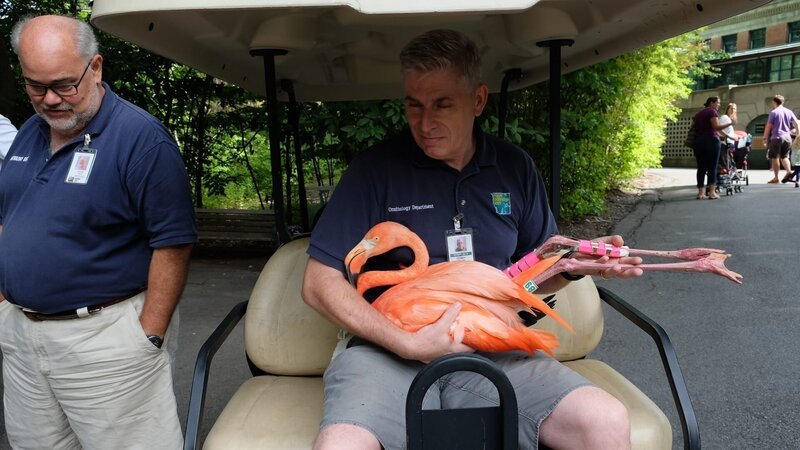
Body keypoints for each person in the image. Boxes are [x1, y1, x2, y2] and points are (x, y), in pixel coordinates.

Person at [302, 29, 644, 450]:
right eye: (414, 105)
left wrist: (572, 268)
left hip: (493, 347)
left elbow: (528, 283)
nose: (425, 124)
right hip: (385, 351)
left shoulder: (513, 168)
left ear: (478, 100)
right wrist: (407, 343)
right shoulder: (374, 171)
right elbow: (318, 285)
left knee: (604, 421)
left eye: (442, 104)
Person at [0, 14, 196, 449]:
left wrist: (149, 334)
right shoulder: (30, 131)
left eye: (64, 84)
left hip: (106, 340)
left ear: (97, 67)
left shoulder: (141, 138)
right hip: (22, 338)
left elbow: (174, 243)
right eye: (36, 85)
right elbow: (7, 216)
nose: (50, 99)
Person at [691, 96, 737, 199]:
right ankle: (712, 192)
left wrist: (728, 136)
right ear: (711, 103)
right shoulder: (712, 112)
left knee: (701, 168)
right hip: (711, 142)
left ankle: (700, 193)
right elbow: (716, 127)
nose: (719, 105)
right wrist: (730, 123)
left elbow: (713, 128)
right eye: (718, 103)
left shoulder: (699, 113)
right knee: (712, 167)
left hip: (698, 142)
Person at [761, 94, 800, 184]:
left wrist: (764, 138)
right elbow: (796, 124)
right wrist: (798, 135)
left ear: (774, 102)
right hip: (787, 138)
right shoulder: (789, 111)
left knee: (775, 157)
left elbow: (768, 126)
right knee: (784, 156)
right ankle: (789, 171)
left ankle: (776, 178)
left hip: (776, 137)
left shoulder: (774, 112)